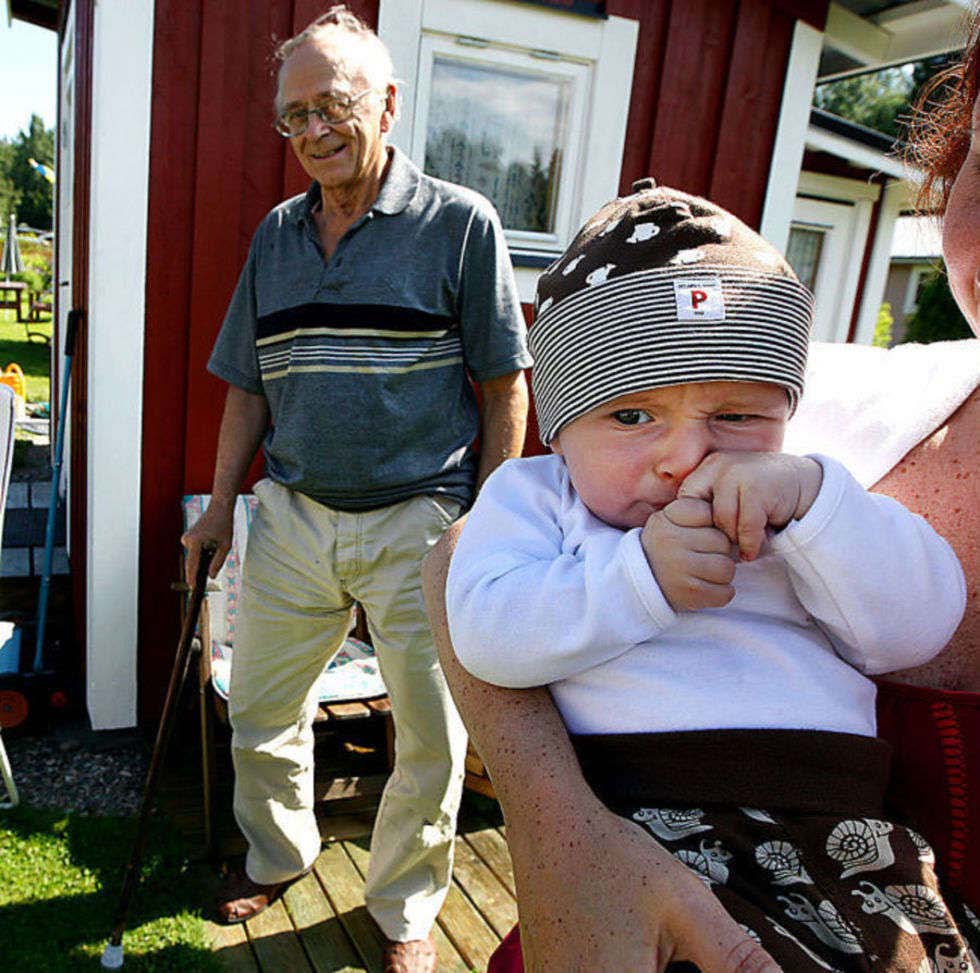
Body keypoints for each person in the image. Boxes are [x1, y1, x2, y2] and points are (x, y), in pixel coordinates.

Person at [422, 14, 980, 969]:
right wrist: (638, 578)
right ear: (563, 425)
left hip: (855, 838)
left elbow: (913, 624)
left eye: (735, 414)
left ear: (783, 409)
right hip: (652, 826)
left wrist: (814, 500)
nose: (687, 455)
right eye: (632, 416)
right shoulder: (540, 495)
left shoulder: (807, 477)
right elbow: (485, 627)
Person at [180, 7, 531, 969]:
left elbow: (506, 384)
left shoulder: (461, 223)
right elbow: (247, 384)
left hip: (421, 516)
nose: (313, 131)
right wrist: (220, 507)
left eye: (332, 105)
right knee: (259, 705)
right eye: (293, 116)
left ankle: (407, 909)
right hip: (292, 513)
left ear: (386, 101)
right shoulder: (277, 237)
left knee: (430, 734)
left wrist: (486, 522)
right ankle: (279, 851)